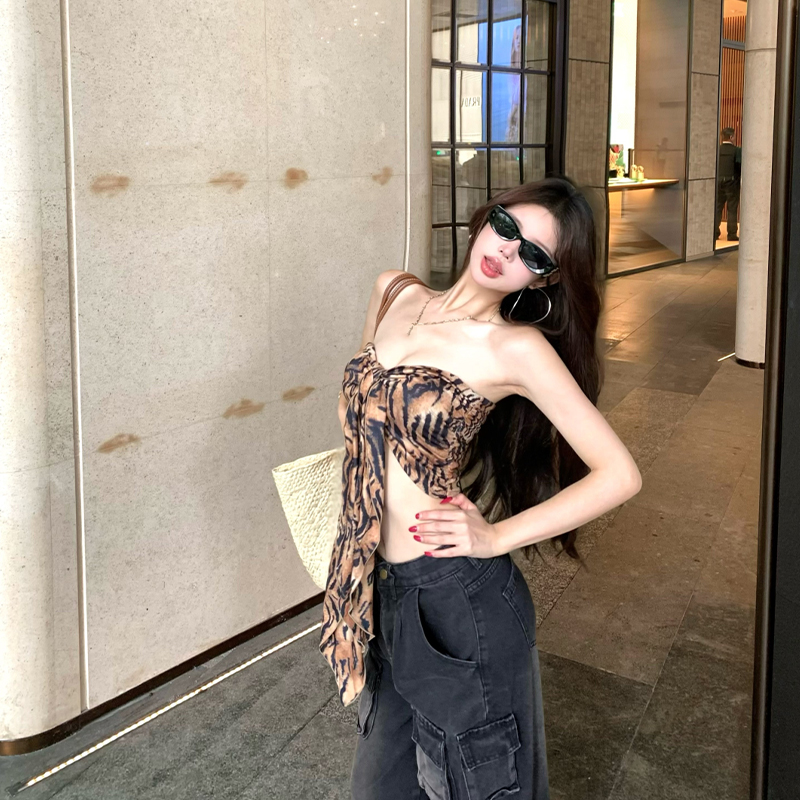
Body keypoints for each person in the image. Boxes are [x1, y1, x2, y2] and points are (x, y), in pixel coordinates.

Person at [325, 176, 643, 800]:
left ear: (544, 280)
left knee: (480, 788)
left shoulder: (515, 348)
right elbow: (366, 417)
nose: (506, 250)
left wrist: (496, 536)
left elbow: (620, 474)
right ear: (485, 218)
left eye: (533, 254)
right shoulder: (394, 293)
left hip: (455, 598)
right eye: (506, 226)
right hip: (378, 585)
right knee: (380, 787)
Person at [715, 127, 742, 242]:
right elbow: (739, 166)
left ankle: (714, 232)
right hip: (732, 182)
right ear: (731, 137)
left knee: (717, 207)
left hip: (718, 181)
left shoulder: (717, 150)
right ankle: (731, 234)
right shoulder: (737, 150)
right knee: (732, 208)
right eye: (734, 136)